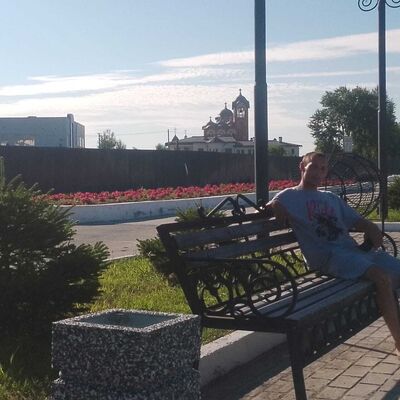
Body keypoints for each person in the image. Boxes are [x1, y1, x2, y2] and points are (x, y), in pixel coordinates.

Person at [266, 151, 400, 354]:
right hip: (330, 258)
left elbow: (357, 220)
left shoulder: (330, 198)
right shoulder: (289, 196)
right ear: (302, 167)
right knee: (382, 278)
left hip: (352, 253)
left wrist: (370, 227)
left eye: (322, 169)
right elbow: (267, 207)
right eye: (313, 167)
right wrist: (275, 205)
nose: (318, 173)